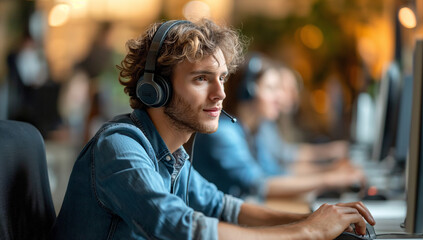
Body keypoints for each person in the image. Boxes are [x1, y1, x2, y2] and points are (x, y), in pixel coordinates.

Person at [51, 19, 374, 240]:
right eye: (201, 78)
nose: (220, 93)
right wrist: (306, 233)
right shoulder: (121, 147)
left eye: (221, 78)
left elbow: (224, 207)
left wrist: (311, 219)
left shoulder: (173, 156)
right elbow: (179, 226)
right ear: (155, 89)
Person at [193, 53, 365, 199]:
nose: (279, 98)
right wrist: (329, 179)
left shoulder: (251, 130)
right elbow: (260, 185)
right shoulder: (223, 132)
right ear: (248, 91)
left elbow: (276, 172)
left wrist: (331, 171)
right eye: (271, 89)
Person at [258, 64, 352, 173]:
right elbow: (279, 169)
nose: (294, 95)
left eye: (295, 89)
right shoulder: (264, 123)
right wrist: (329, 168)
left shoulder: (279, 122)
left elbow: (287, 158)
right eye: (286, 89)